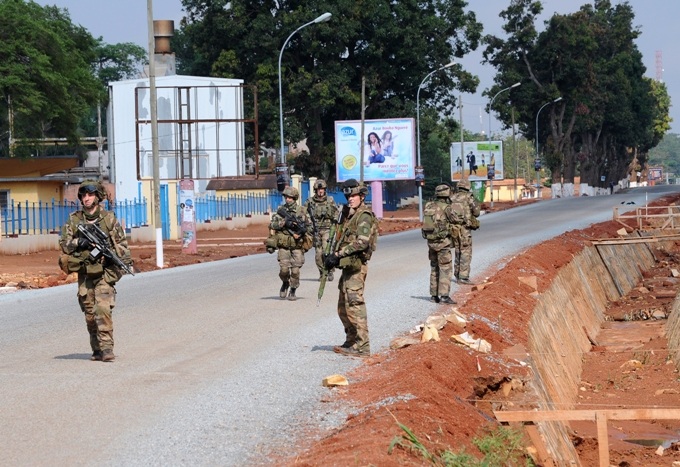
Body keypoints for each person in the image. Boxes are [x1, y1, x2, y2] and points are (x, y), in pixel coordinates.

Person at [59, 180, 132, 362]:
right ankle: (97, 349)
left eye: (90, 195)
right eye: (83, 195)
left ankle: (107, 349)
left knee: (102, 309)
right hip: (85, 273)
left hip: (104, 272)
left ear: (98, 197)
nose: (86, 198)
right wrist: (79, 242)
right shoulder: (74, 220)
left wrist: (111, 255)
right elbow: (64, 244)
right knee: (90, 314)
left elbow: (123, 247)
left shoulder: (109, 219)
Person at [324, 179, 378, 358]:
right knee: (342, 307)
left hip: (356, 266)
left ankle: (363, 346)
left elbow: (362, 243)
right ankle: (351, 340)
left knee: (355, 305)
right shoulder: (349, 215)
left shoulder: (364, 216)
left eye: (353, 195)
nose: (350, 199)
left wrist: (338, 254)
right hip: (347, 266)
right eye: (348, 196)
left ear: (362, 196)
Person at [268, 186, 312, 301]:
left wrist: (300, 233)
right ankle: (285, 283)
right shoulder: (281, 211)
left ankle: (293, 290)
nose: (288, 200)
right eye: (286, 197)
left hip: (297, 245)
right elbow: (272, 225)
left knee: (296, 271)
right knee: (284, 270)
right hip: (284, 245)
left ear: (295, 198)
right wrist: (281, 224)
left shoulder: (302, 211)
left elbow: (310, 227)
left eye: (290, 198)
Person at [422, 184, 458, 304]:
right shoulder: (447, 208)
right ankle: (444, 296)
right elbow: (456, 219)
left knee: (434, 267)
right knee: (445, 268)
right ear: (447, 193)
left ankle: (434, 295)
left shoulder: (428, 206)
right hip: (443, 243)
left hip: (431, 242)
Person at [304, 179, 339, 282]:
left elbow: (336, 212)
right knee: (318, 254)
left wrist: (336, 221)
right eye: (319, 189)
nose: (320, 191)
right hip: (316, 230)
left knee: (326, 251)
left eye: (322, 189)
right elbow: (303, 213)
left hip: (327, 229)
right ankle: (322, 272)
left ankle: (330, 270)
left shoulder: (330, 200)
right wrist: (308, 222)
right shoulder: (310, 202)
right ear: (315, 190)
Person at [450, 179, 480, 285]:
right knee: (466, 252)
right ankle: (463, 277)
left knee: (458, 251)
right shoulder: (469, 197)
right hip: (464, 229)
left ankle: (457, 274)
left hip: (453, 229)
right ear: (467, 187)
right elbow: (476, 212)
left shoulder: (451, 197)